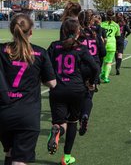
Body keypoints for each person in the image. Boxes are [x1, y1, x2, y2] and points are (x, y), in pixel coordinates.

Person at [0, 14, 56, 165]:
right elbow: (52, 83)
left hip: (4, 112)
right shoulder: (40, 53)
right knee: (20, 161)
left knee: (10, 152)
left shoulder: (1, 50)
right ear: (31, 31)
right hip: (27, 114)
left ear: (12, 30)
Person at [47, 18, 99, 165]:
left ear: (63, 31)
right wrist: (92, 82)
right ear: (78, 32)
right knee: (72, 122)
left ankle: (57, 131)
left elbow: (45, 65)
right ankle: (67, 157)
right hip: (76, 89)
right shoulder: (81, 48)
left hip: (57, 89)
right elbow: (95, 67)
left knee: (59, 122)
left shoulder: (54, 46)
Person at [77, 10, 105, 136]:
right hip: (94, 66)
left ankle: (79, 117)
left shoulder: (78, 35)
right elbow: (103, 52)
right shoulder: (95, 34)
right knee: (89, 95)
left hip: (80, 67)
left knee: (78, 94)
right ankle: (85, 115)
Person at [100, 10, 120, 83]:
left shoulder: (101, 24)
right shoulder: (116, 25)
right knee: (109, 62)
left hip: (103, 45)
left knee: (102, 61)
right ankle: (105, 77)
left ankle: (102, 73)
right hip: (112, 45)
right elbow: (118, 37)